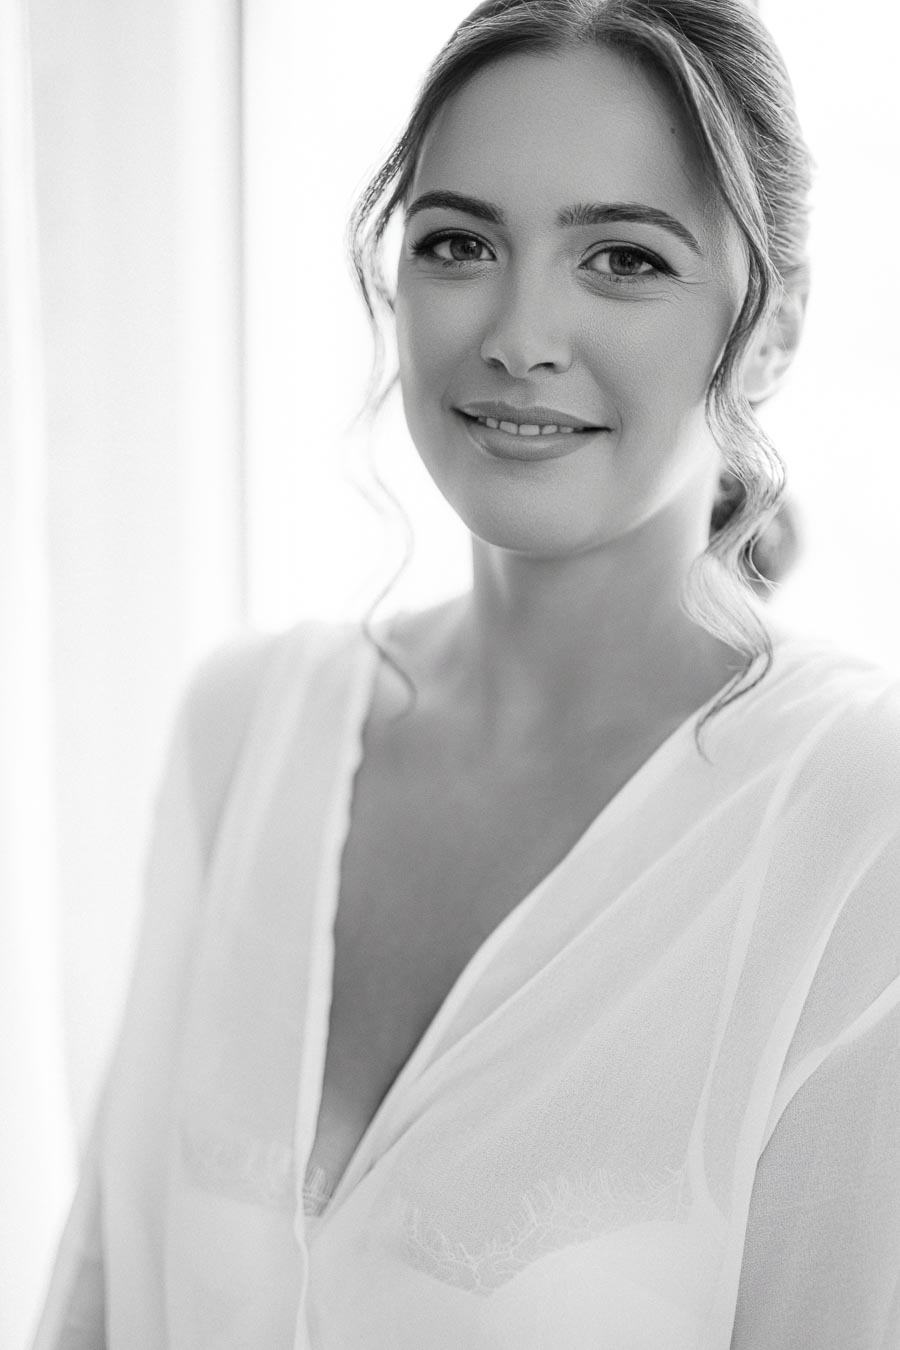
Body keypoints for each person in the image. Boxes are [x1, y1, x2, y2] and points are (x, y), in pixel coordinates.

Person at [32, 1, 900, 1346]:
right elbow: (94, 1295)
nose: (518, 329)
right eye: (459, 242)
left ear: (771, 327)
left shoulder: (855, 809)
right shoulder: (244, 729)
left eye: (622, 256)